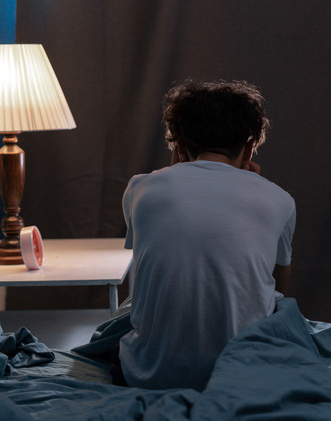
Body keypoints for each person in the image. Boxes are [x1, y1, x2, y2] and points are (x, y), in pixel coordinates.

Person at [117, 79, 296, 391]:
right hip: (242, 376)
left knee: (129, 306)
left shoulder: (140, 188)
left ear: (180, 146)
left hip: (149, 376)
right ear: (249, 148)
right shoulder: (280, 199)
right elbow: (279, 283)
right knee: (279, 302)